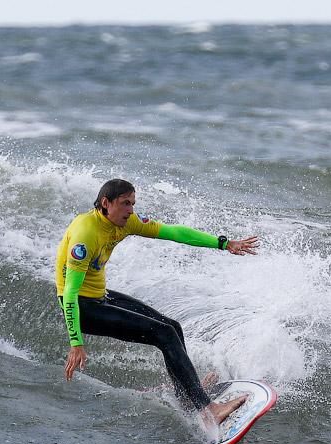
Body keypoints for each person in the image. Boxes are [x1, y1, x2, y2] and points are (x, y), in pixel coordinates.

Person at [55, 178, 260, 425]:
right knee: (164, 334)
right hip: (82, 307)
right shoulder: (85, 234)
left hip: (98, 296)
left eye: (132, 203)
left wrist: (224, 243)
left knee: (172, 327)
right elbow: (69, 292)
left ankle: (187, 396)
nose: (131, 210)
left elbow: (173, 232)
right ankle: (208, 411)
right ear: (106, 203)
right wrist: (76, 342)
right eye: (125, 204)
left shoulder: (124, 222)